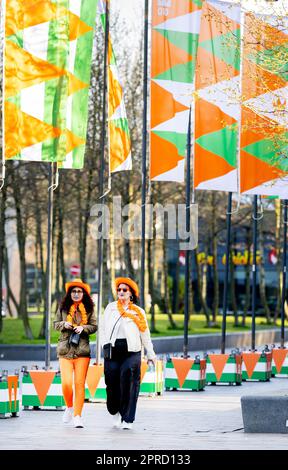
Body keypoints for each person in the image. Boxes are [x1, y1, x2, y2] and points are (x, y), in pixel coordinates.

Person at [100, 277, 156, 430]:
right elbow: (103, 329)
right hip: (112, 349)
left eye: (125, 289)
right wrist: (103, 346)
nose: (121, 292)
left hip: (132, 350)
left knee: (128, 378)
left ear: (131, 293)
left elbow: (145, 334)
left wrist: (151, 354)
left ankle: (128, 418)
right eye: (119, 289)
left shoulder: (139, 312)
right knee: (111, 381)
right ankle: (115, 411)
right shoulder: (110, 308)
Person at [54, 279, 97, 428]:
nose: (76, 294)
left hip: (82, 351)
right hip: (65, 350)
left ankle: (78, 416)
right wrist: (63, 324)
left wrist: (83, 328)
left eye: (79, 291)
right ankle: (69, 406)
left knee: (79, 384)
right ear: (70, 293)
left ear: (83, 293)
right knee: (66, 383)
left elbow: (94, 326)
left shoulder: (90, 308)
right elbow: (55, 324)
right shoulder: (62, 308)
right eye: (74, 291)